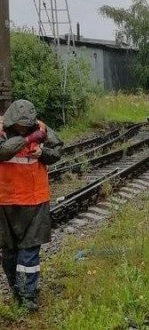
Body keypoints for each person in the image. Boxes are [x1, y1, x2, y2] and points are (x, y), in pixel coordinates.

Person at [0, 100, 62, 311]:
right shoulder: (1, 130)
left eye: (27, 126)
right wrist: (28, 140)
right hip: (5, 201)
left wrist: (42, 153)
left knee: (29, 252)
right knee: (9, 251)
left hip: (35, 200)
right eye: (20, 126)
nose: (24, 128)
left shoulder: (42, 128)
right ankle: (17, 291)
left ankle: (27, 297)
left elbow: (56, 152)